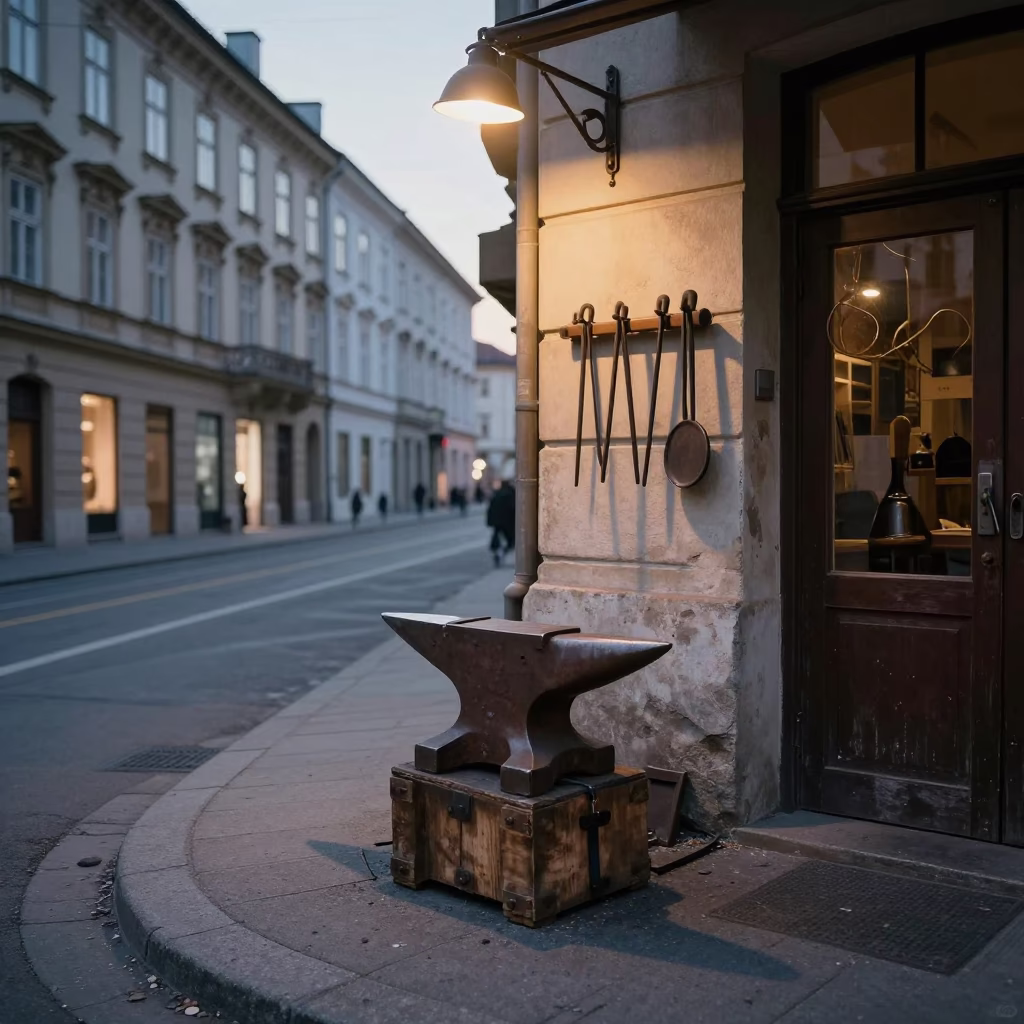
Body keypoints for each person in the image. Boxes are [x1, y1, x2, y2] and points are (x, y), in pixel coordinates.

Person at [487, 480, 515, 567]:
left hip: (497, 522)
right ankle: (502, 552)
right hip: (508, 522)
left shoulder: (497, 494)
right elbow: (513, 509)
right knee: (511, 540)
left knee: (496, 537)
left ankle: (497, 552)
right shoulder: (511, 495)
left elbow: (490, 509)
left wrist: (490, 521)